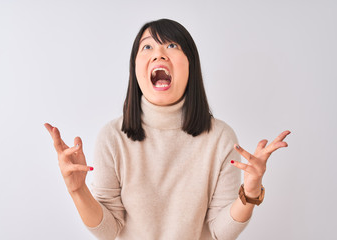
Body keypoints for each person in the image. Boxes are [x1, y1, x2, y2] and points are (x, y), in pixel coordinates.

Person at [44, 19, 290, 240]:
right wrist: (78, 190)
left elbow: (220, 232)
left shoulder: (221, 138)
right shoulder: (112, 137)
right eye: (147, 47)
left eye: (171, 46)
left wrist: (250, 192)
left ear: (190, 64)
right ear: (135, 67)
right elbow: (109, 231)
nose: (159, 54)